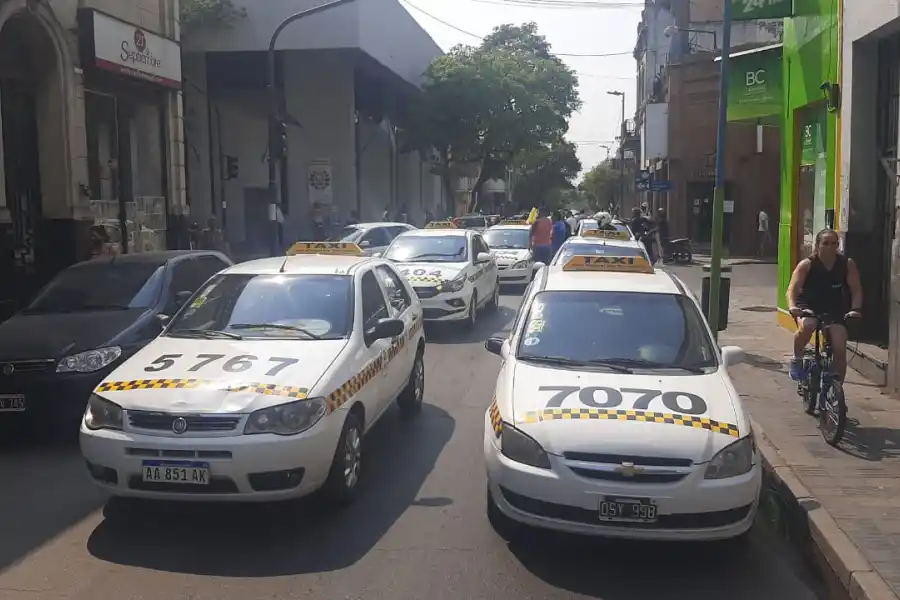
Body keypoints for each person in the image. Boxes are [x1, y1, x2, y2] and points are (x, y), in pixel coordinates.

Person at [787, 229, 863, 383]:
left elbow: (856, 289)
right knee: (808, 325)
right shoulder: (807, 264)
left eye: (834, 243)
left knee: (840, 347)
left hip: (833, 307)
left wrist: (855, 309)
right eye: (826, 243)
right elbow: (792, 289)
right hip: (807, 304)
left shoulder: (846, 264)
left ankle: (836, 389)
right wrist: (793, 306)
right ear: (818, 245)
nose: (830, 247)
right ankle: (797, 359)